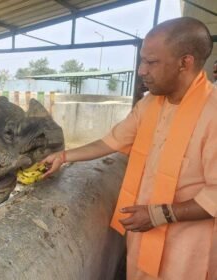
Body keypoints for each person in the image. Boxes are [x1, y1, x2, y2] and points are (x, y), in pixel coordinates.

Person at [42, 17, 216, 280]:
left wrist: (160, 214)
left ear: (185, 62)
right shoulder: (149, 105)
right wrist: (64, 156)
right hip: (144, 234)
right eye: (142, 61)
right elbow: (111, 141)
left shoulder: (212, 113)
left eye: (151, 62)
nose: (141, 71)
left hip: (189, 247)